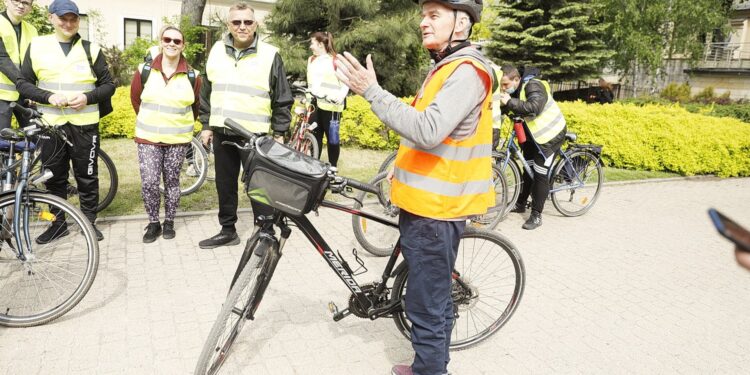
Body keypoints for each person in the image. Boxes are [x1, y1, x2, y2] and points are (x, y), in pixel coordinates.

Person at [335, 1, 495, 374]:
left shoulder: (468, 72)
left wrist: (372, 91)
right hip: (425, 205)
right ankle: (431, 364)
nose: (423, 22)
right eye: (423, 15)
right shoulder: (446, 67)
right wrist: (399, 171)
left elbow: (427, 130)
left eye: (434, 15)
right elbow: (427, 138)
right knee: (431, 297)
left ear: (461, 24)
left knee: (426, 303)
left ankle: (431, 371)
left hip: (436, 212)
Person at [17, 0, 115, 242]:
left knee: (87, 175)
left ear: (78, 21)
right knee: (54, 176)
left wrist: (87, 97)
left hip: (85, 124)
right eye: (63, 18)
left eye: (73, 19)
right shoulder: (37, 46)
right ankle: (58, 224)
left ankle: (89, 222)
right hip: (50, 125)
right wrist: (48, 96)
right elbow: (23, 84)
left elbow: (109, 85)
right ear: (51, 19)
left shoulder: (91, 49)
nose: (68, 23)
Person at [198, 2, 293, 249]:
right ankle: (228, 230)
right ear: (228, 25)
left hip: (255, 136)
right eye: (236, 22)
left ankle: (264, 232)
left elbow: (282, 98)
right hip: (222, 132)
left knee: (259, 186)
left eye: (247, 22)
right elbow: (207, 91)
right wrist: (206, 125)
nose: (242, 26)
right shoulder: (217, 50)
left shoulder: (271, 54)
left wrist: (280, 133)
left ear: (256, 24)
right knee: (224, 185)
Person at [130, 26, 201, 243]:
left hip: (177, 140)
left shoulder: (193, 76)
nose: (172, 44)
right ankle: (153, 223)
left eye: (177, 41)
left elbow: (196, 107)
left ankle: (169, 221)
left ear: (183, 45)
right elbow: (135, 100)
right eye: (167, 39)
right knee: (150, 182)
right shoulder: (144, 70)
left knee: (172, 181)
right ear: (161, 42)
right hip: (148, 137)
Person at [498, 64, 567, 230]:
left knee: (540, 173)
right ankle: (521, 202)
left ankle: (536, 215)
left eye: (506, 85)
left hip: (551, 136)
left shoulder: (533, 85)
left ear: (516, 79)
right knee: (527, 168)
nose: (504, 89)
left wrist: (509, 101)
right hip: (532, 135)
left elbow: (533, 107)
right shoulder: (516, 89)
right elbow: (511, 108)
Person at [306, 31, 348, 166]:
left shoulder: (335, 61)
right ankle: (313, 168)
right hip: (314, 106)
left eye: (312, 43)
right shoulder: (311, 60)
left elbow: (346, 82)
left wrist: (340, 97)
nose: (310, 46)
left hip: (332, 108)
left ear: (320, 44)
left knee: (332, 140)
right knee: (314, 138)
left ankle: (333, 169)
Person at [0, 0, 37, 130]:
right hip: (1, 95)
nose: (21, 5)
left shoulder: (32, 30)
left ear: (30, 7)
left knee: (37, 138)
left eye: (26, 2)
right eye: (16, 1)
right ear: (6, 1)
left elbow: (35, 62)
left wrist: (34, 91)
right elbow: (2, 58)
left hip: (24, 95)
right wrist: (24, 84)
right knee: (2, 141)